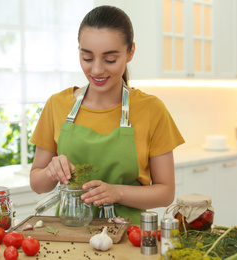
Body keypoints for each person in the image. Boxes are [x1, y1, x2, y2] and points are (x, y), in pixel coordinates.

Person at [29, 5, 184, 224]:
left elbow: (166, 193)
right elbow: (37, 184)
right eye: (87, 58)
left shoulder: (152, 109)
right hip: (70, 234)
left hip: (131, 237)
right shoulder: (57, 105)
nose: (97, 70)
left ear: (130, 52)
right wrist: (50, 171)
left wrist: (117, 193)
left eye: (110, 59)